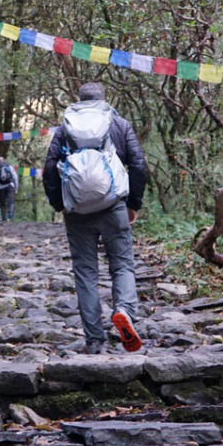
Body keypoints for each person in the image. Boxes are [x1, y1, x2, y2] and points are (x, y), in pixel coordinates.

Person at [43, 82, 147, 354]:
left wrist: (60, 203)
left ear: (79, 100)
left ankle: (94, 339)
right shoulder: (119, 123)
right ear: (103, 99)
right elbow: (138, 165)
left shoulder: (65, 127)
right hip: (114, 206)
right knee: (122, 265)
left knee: (85, 273)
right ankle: (124, 310)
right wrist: (133, 203)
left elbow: (49, 169)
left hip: (77, 211)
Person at [0, 155, 19, 222]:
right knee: (11, 202)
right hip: (10, 186)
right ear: (4, 160)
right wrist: (16, 188)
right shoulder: (9, 166)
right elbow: (15, 177)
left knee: (2, 204)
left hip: (1, 187)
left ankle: (4, 219)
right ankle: (11, 217)